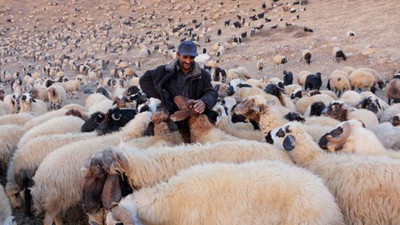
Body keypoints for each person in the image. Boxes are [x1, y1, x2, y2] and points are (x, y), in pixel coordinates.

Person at [139, 40, 218, 142]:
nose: (188, 61)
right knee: (153, 136)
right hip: (171, 115)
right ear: (178, 55)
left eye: (191, 58)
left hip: (192, 115)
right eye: (185, 57)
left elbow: (211, 92)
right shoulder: (165, 71)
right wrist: (163, 95)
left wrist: (204, 101)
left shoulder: (203, 75)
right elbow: (144, 80)